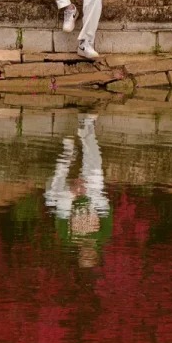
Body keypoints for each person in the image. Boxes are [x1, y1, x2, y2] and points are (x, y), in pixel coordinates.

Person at [43, 114, 112, 267]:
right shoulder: (103, 234)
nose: (86, 253)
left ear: (79, 255)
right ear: (95, 255)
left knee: (51, 198)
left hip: (67, 196)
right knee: (95, 170)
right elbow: (104, 206)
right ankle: (86, 126)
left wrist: (72, 193)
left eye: (83, 257)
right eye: (90, 257)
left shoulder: (67, 237)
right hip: (90, 193)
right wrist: (87, 191)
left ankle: (67, 154)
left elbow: (62, 211)